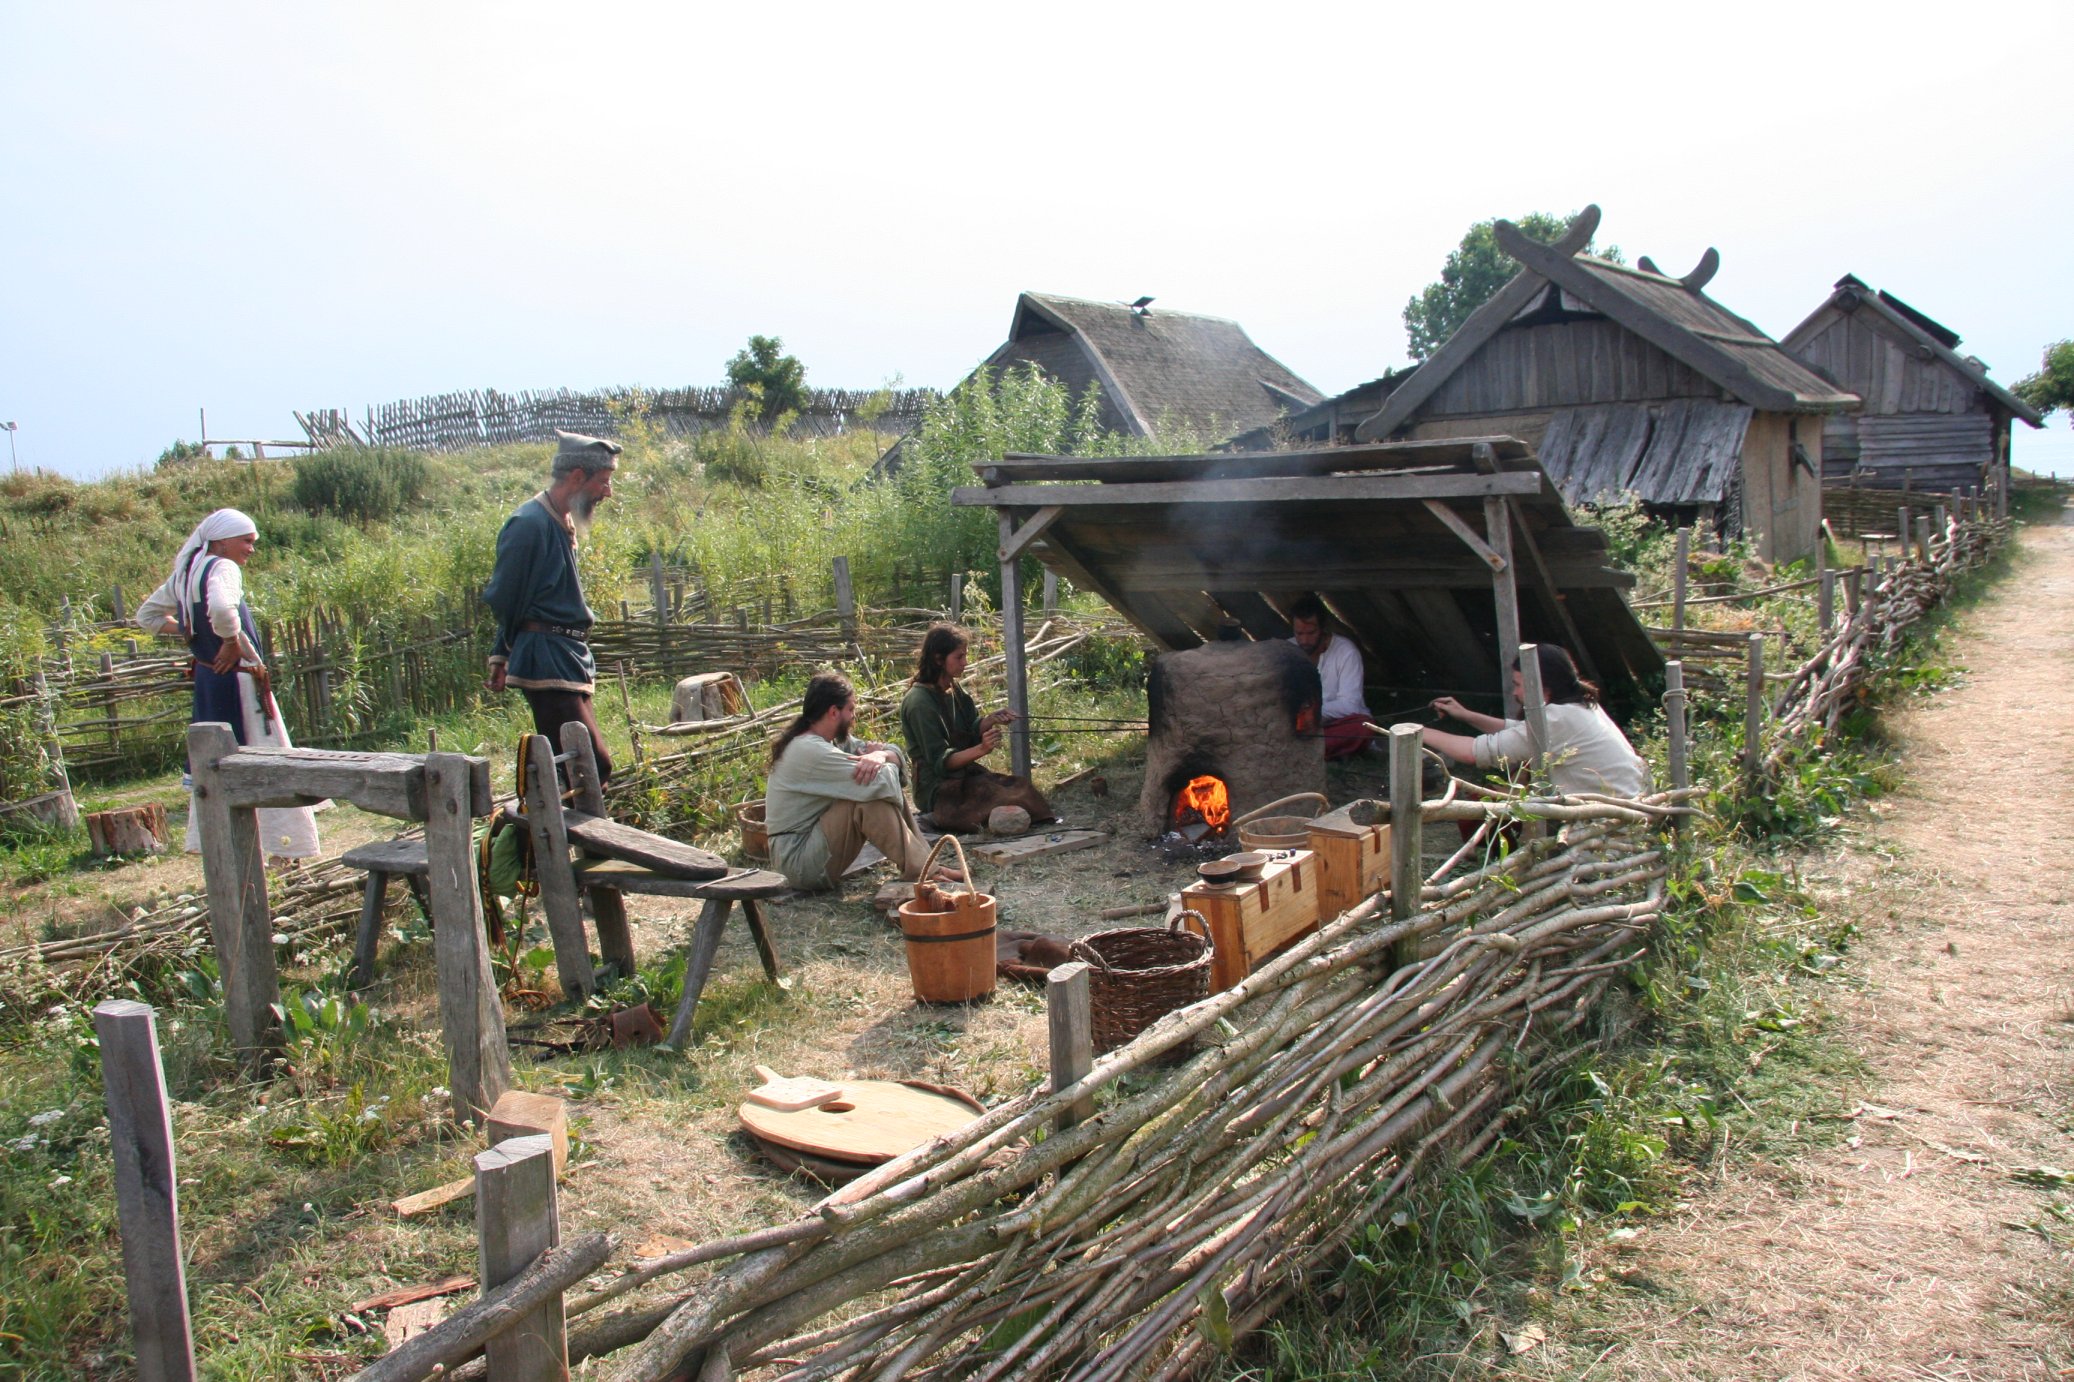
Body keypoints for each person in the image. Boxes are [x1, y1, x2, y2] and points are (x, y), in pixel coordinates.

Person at [136, 508, 321, 859]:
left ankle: (226, 847)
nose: (251, 549)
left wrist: (190, 630)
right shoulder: (223, 567)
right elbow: (222, 609)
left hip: (210, 680)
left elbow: (147, 617)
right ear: (221, 541)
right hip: (237, 683)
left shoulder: (185, 573)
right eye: (246, 541)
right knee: (261, 763)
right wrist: (230, 639)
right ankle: (281, 849)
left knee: (216, 762)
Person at [483, 430, 620, 783]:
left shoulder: (560, 522)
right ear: (577, 476)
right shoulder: (529, 525)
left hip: (565, 656)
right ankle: (561, 834)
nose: (608, 492)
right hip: (545, 660)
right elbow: (506, 597)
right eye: (603, 481)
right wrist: (503, 653)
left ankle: (566, 833)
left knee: (577, 767)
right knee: (589, 766)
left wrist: (501, 654)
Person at [765, 672, 958, 892]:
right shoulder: (810, 750)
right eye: (851, 709)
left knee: (873, 788)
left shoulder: (831, 741)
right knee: (868, 798)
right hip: (797, 862)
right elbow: (884, 782)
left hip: (807, 850)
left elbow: (893, 753)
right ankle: (925, 871)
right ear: (834, 712)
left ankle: (927, 867)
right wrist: (883, 762)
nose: (854, 716)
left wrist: (881, 756)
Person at [1422, 644, 1648, 799]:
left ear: (1541, 687)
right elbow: (1522, 732)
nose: (1515, 693)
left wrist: (1415, 731)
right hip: (1627, 803)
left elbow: (1474, 753)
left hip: (1610, 817)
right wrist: (1467, 715)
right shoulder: (1578, 708)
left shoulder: (1558, 719)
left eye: (1518, 684)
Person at [898, 623, 1051, 832]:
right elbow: (942, 762)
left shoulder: (952, 687)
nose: (965, 663)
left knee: (1020, 788)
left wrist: (990, 720)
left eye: (965, 656)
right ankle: (933, 818)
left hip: (963, 776)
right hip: (937, 787)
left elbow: (969, 727)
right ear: (938, 659)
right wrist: (982, 749)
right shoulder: (919, 703)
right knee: (996, 802)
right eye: (959, 657)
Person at [1288, 594, 1374, 759]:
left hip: (1331, 724)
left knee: (1362, 727)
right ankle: (1302, 750)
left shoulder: (1346, 652)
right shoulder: (1286, 650)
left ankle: (1301, 752)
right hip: (1295, 725)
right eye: (1299, 633)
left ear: (1323, 629)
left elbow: (1350, 704)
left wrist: (1313, 714)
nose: (1304, 640)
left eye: (1311, 633)